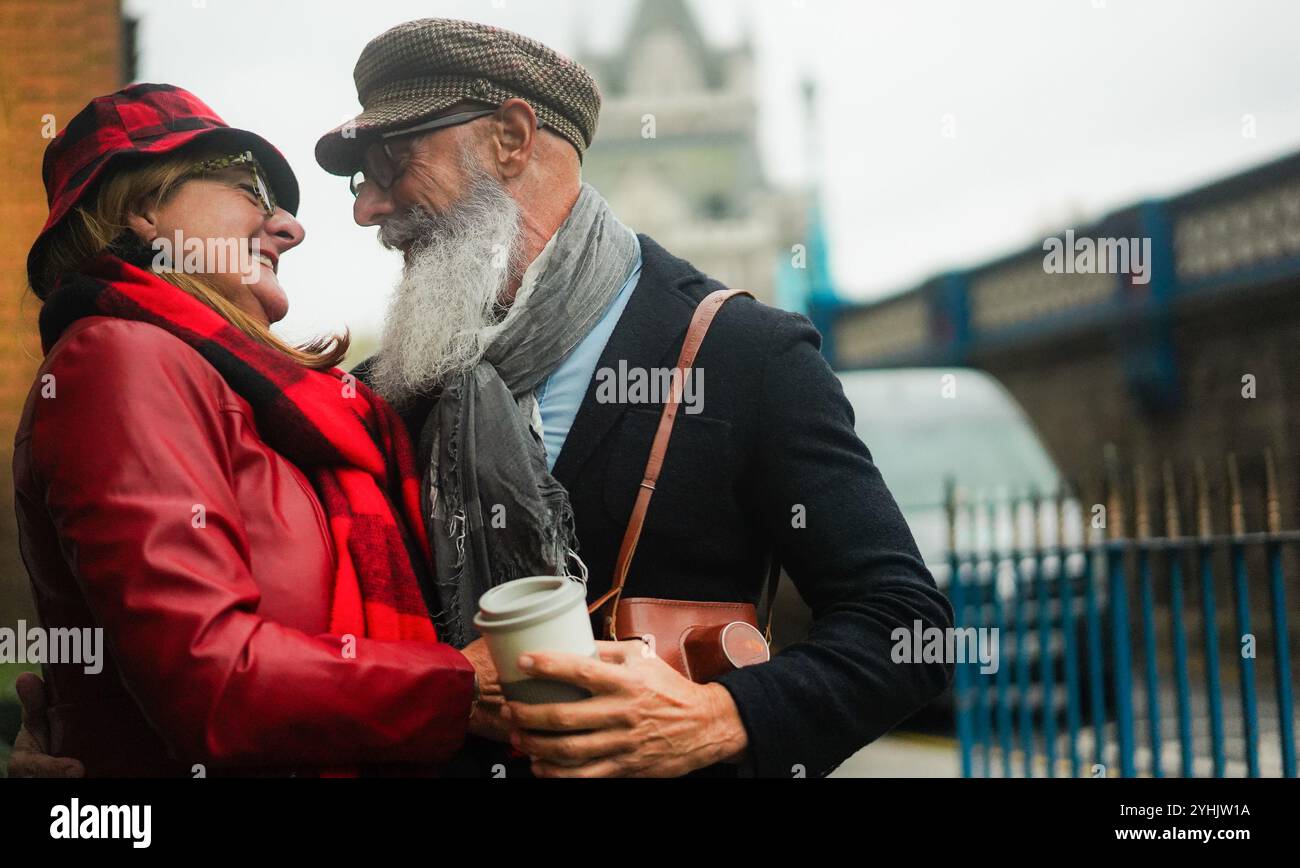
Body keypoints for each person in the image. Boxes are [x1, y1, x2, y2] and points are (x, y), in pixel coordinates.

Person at [317, 18, 955, 778]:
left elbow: (906, 626)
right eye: (364, 178)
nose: (369, 209)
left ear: (512, 139)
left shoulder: (745, 354)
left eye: (395, 162)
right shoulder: (390, 391)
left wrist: (721, 719)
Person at [6, 83, 504, 776]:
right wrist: (458, 689)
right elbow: (215, 684)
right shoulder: (116, 360)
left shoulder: (263, 401)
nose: (289, 228)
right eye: (249, 191)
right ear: (145, 208)